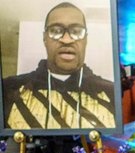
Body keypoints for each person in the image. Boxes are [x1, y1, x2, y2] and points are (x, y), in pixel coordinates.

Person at [2, 1, 115, 130]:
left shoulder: (112, 93)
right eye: (56, 31)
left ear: (86, 40)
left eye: (76, 31)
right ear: (45, 38)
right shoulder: (8, 89)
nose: (66, 40)